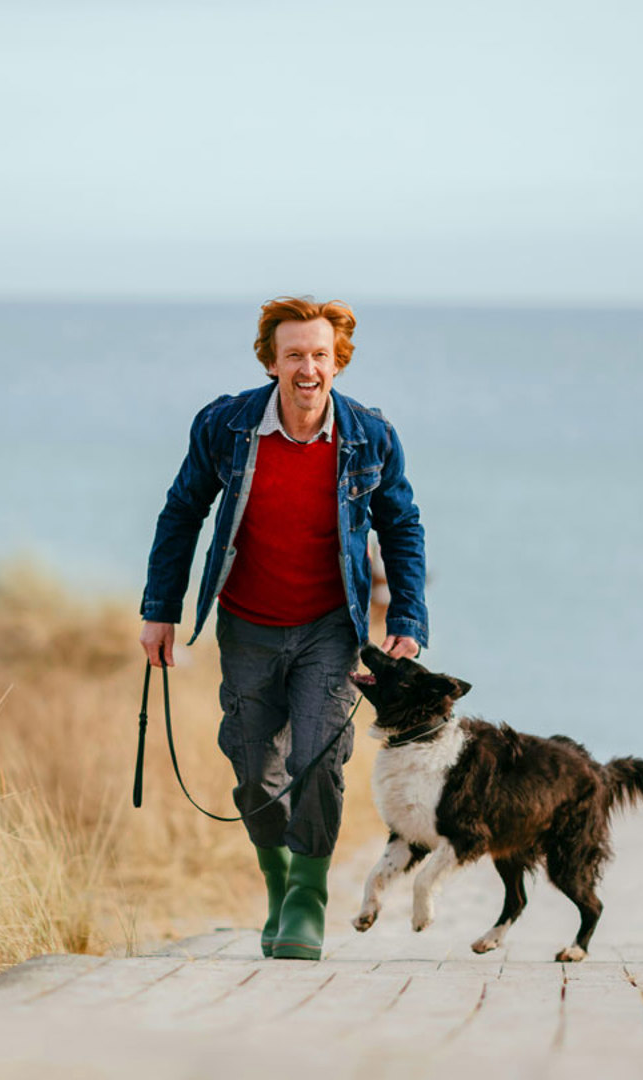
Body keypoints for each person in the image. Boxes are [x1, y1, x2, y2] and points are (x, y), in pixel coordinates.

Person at [140, 296, 428, 960]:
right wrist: (161, 609)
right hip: (246, 624)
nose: (307, 369)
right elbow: (182, 511)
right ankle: (279, 885)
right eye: (294, 354)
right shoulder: (226, 426)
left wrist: (408, 617)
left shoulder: (370, 436)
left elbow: (402, 525)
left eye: (320, 356)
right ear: (270, 360)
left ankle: (307, 898)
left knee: (318, 759)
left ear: (338, 362)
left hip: (333, 626)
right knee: (251, 764)